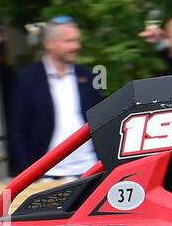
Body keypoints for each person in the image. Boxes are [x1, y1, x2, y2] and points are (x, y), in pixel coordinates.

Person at [7, 17, 102, 177]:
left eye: (77, 41)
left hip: (90, 170)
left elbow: (101, 121)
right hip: (47, 176)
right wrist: (28, 174)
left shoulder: (88, 76)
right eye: (69, 41)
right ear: (50, 43)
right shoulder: (29, 79)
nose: (76, 46)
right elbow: (17, 129)